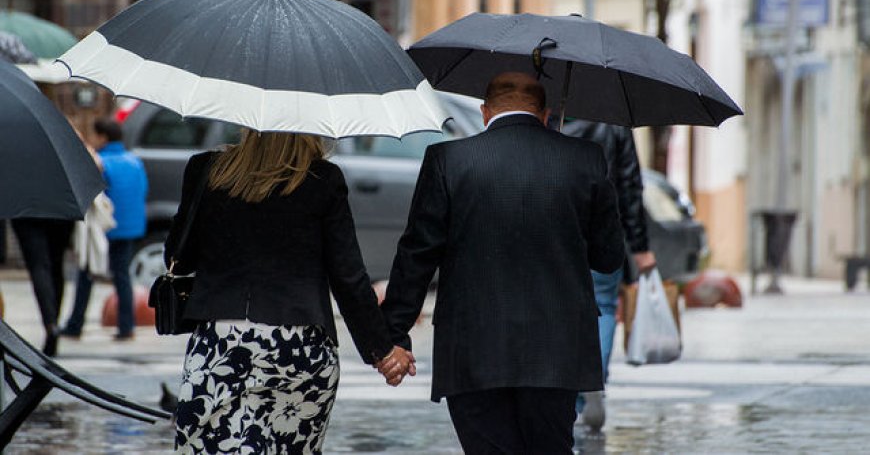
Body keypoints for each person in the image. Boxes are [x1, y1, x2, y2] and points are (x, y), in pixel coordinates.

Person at [377, 72, 626, 453]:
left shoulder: (448, 160)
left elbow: (417, 255)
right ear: (544, 115)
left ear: (483, 112)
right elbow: (608, 258)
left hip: (473, 350)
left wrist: (393, 336)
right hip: (556, 351)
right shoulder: (584, 159)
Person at [165, 130, 413, 453]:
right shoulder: (322, 180)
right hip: (301, 348)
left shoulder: (207, 170)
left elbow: (178, 259)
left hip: (223, 344)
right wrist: (382, 350)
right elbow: (348, 278)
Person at [559, 119, 657, 432]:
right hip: (604, 232)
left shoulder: (548, 115)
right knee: (601, 307)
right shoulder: (613, 118)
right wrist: (640, 246)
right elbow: (630, 184)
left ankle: (569, 393)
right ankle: (593, 381)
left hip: (557, 233)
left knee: (558, 310)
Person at [61, 118, 148, 341]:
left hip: (104, 229)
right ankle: (126, 327)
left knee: (87, 274)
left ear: (103, 137)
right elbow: (143, 189)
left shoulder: (101, 163)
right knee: (122, 277)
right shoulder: (135, 161)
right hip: (130, 228)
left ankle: (75, 325)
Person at [10, 217, 74, 356]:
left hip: (26, 210)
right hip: (60, 209)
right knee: (56, 266)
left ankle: (50, 324)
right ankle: (54, 323)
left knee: (39, 266)